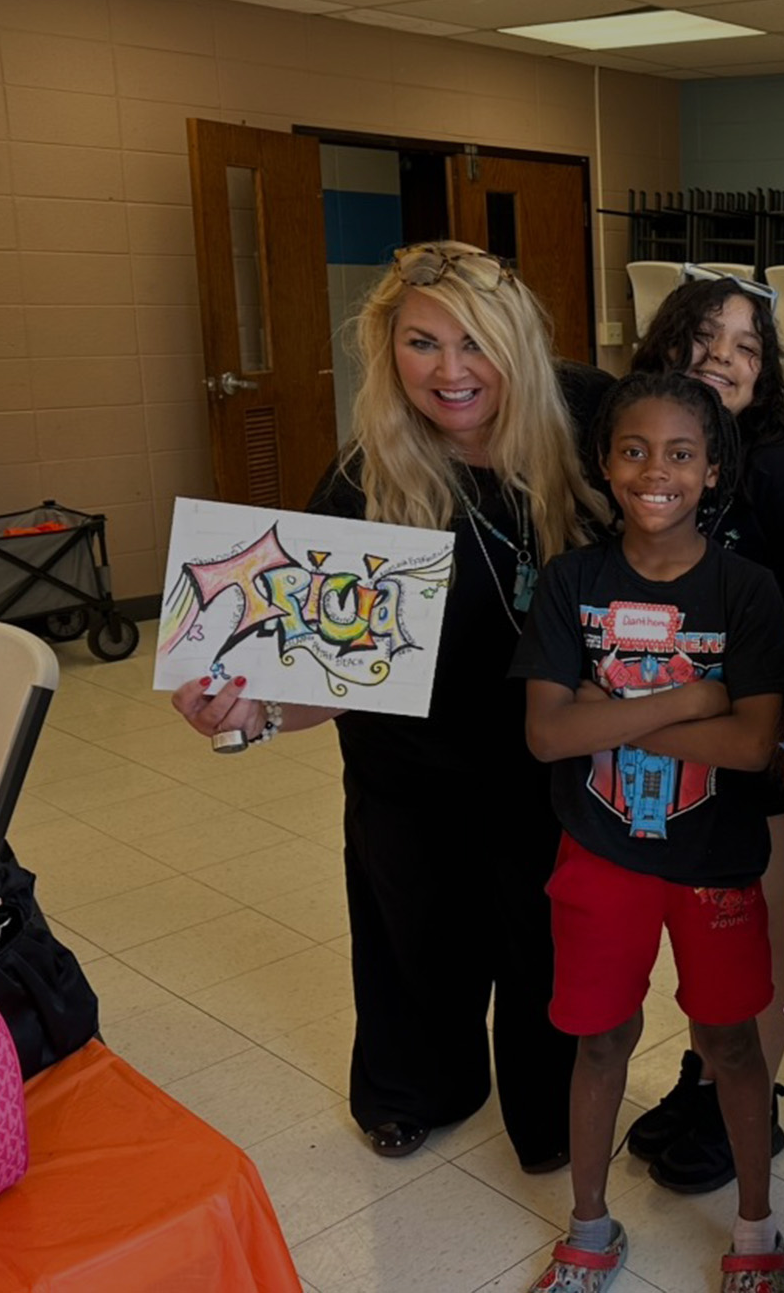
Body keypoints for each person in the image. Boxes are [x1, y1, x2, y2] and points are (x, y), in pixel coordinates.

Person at [171, 241, 606, 1169]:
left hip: (553, 763)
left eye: (476, 341)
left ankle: (549, 1111)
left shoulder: (586, 437)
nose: (450, 371)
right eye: (422, 343)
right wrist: (251, 715)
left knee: (546, 950)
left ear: (520, 347)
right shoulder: (370, 477)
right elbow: (325, 673)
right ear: (387, 348)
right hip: (411, 770)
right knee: (417, 940)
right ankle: (419, 1088)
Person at [512, 371, 784, 1293]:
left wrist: (617, 708)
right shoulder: (573, 581)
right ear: (603, 461)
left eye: (681, 453)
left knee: (731, 1045)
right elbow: (548, 731)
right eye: (633, 449)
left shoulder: (746, 589)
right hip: (598, 854)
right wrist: (685, 696)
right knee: (599, 1039)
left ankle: (755, 1229)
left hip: (715, 863)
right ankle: (589, 1226)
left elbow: (753, 744)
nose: (655, 471)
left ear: (714, 470)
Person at [622, 270, 784, 1192]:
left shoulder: (780, 472)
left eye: (747, 347)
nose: (722, 358)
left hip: (761, 745)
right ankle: (703, 1072)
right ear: (665, 345)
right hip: (669, 744)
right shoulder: (641, 457)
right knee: (703, 930)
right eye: (704, 336)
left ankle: (751, 1097)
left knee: (762, 935)